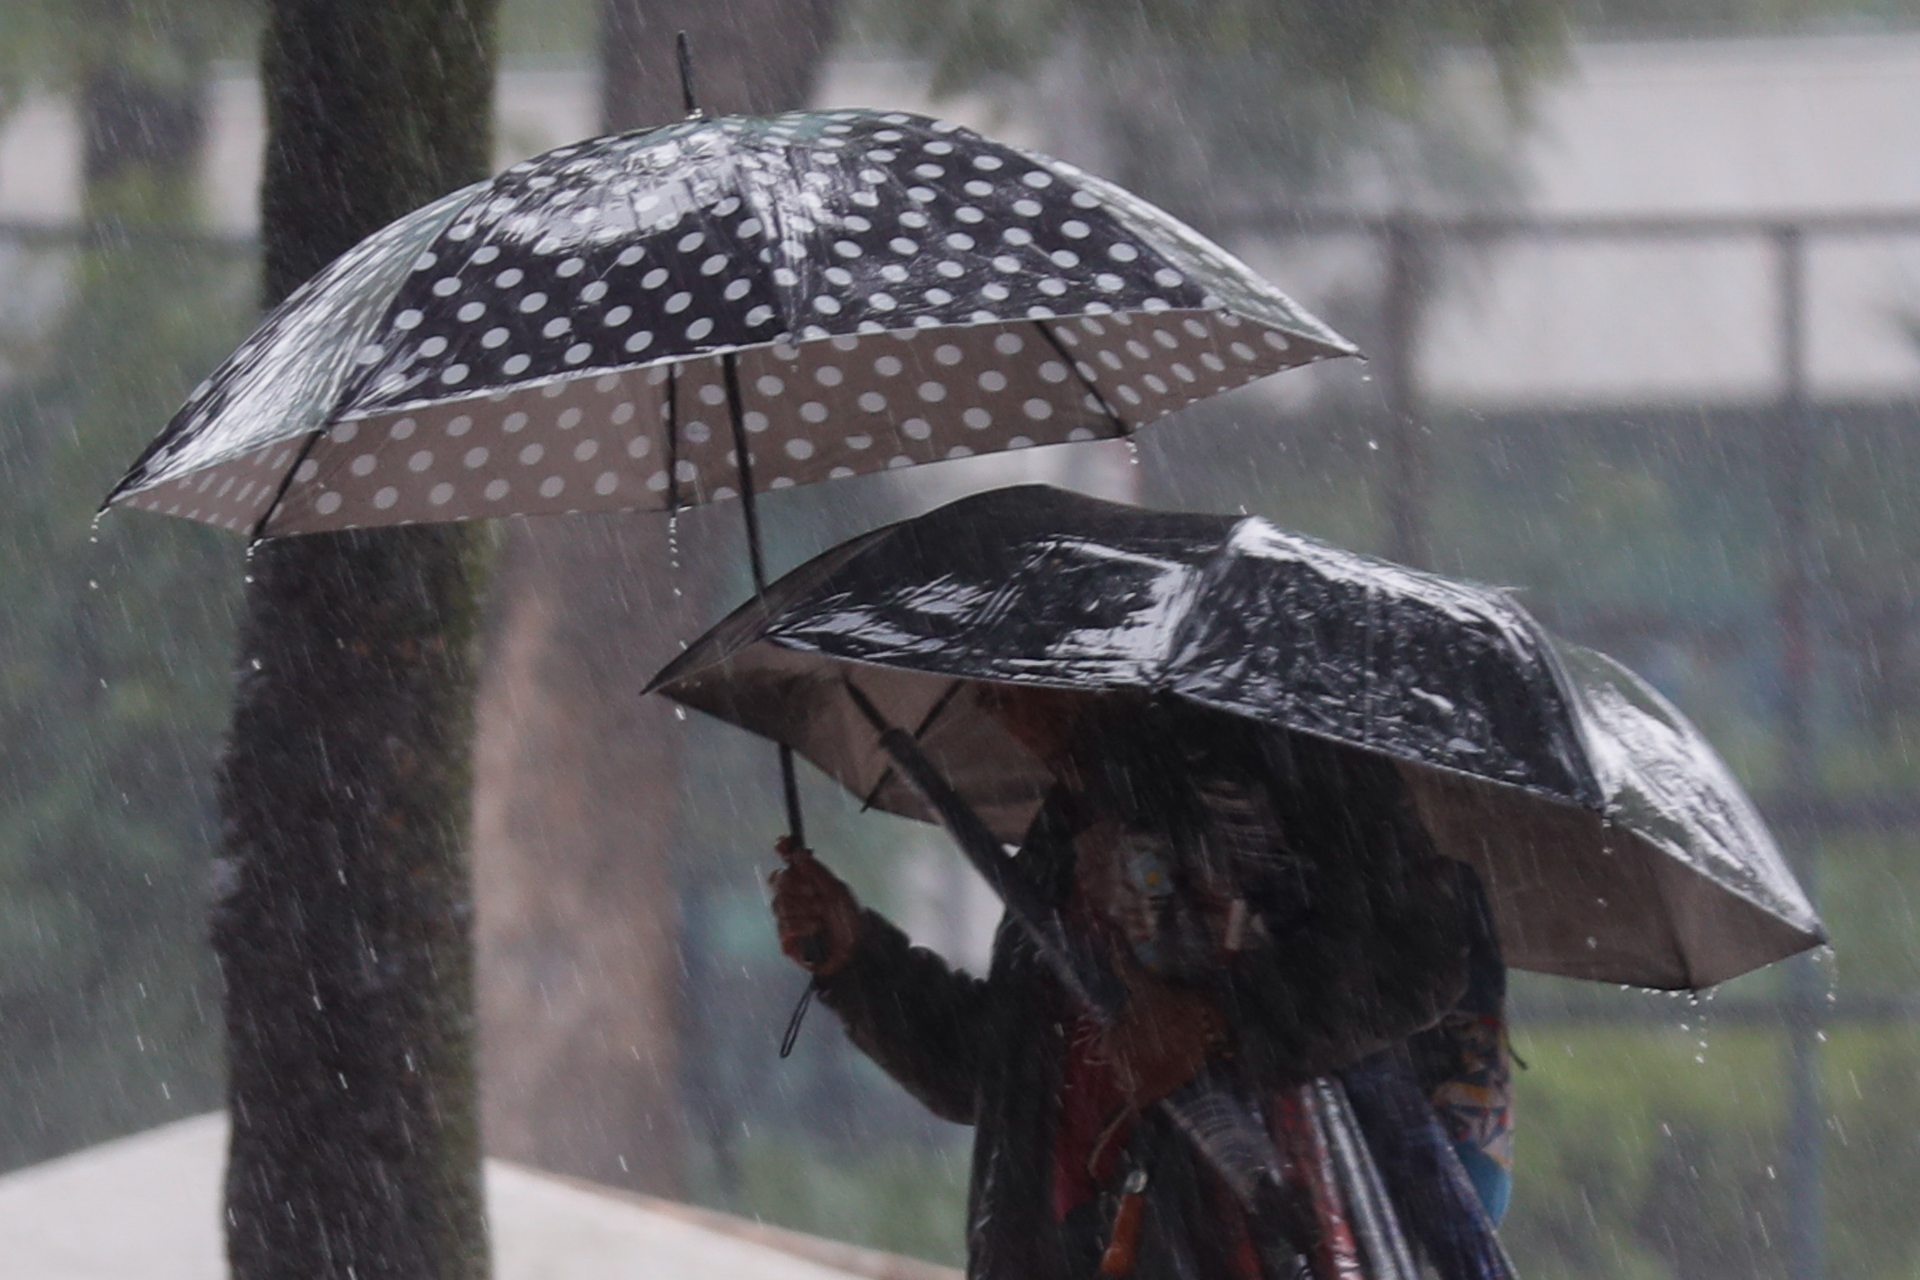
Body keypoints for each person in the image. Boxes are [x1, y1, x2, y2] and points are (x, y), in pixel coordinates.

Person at [771, 689, 1472, 1279]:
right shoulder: (1064, 830)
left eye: (1022, 674)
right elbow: (994, 1073)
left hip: (1252, 1241)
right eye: (991, 686)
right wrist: (856, 959)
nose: (995, 705)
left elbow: (1418, 955)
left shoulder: (1280, 770)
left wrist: (1216, 1020)